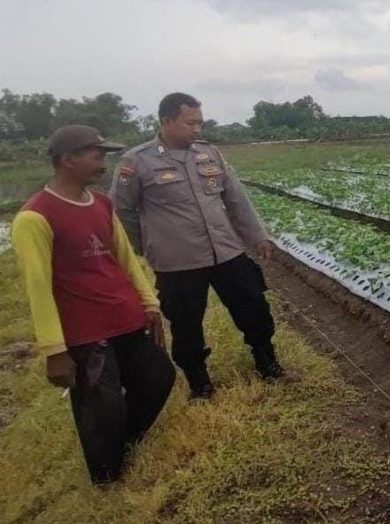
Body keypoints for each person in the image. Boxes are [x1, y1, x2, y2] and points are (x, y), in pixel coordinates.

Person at [11, 125, 176, 485]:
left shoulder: (101, 203)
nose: (104, 163)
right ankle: (106, 479)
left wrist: (149, 303)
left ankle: (125, 445)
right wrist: (54, 350)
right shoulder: (34, 217)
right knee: (101, 408)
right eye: (97, 155)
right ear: (68, 159)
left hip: (126, 316)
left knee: (159, 377)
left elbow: (125, 259)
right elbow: (38, 288)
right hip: (86, 332)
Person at [109, 92, 282, 400]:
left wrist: (258, 236)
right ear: (167, 121)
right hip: (178, 261)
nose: (197, 129)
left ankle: (266, 360)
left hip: (226, 251)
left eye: (200, 123)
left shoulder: (209, 153)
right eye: (190, 123)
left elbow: (235, 197)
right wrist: (146, 245)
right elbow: (122, 211)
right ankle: (199, 382)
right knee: (186, 324)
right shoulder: (137, 162)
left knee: (253, 305)